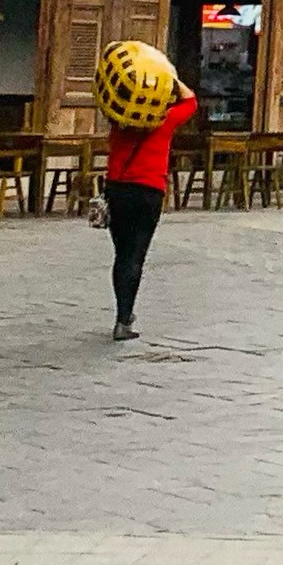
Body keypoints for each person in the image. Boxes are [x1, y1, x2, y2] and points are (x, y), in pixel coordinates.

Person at [93, 40, 198, 342]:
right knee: (136, 254)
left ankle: (121, 312)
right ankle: (123, 320)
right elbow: (190, 101)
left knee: (121, 254)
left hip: (116, 191)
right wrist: (168, 78)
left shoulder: (118, 123)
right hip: (148, 192)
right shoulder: (163, 122)